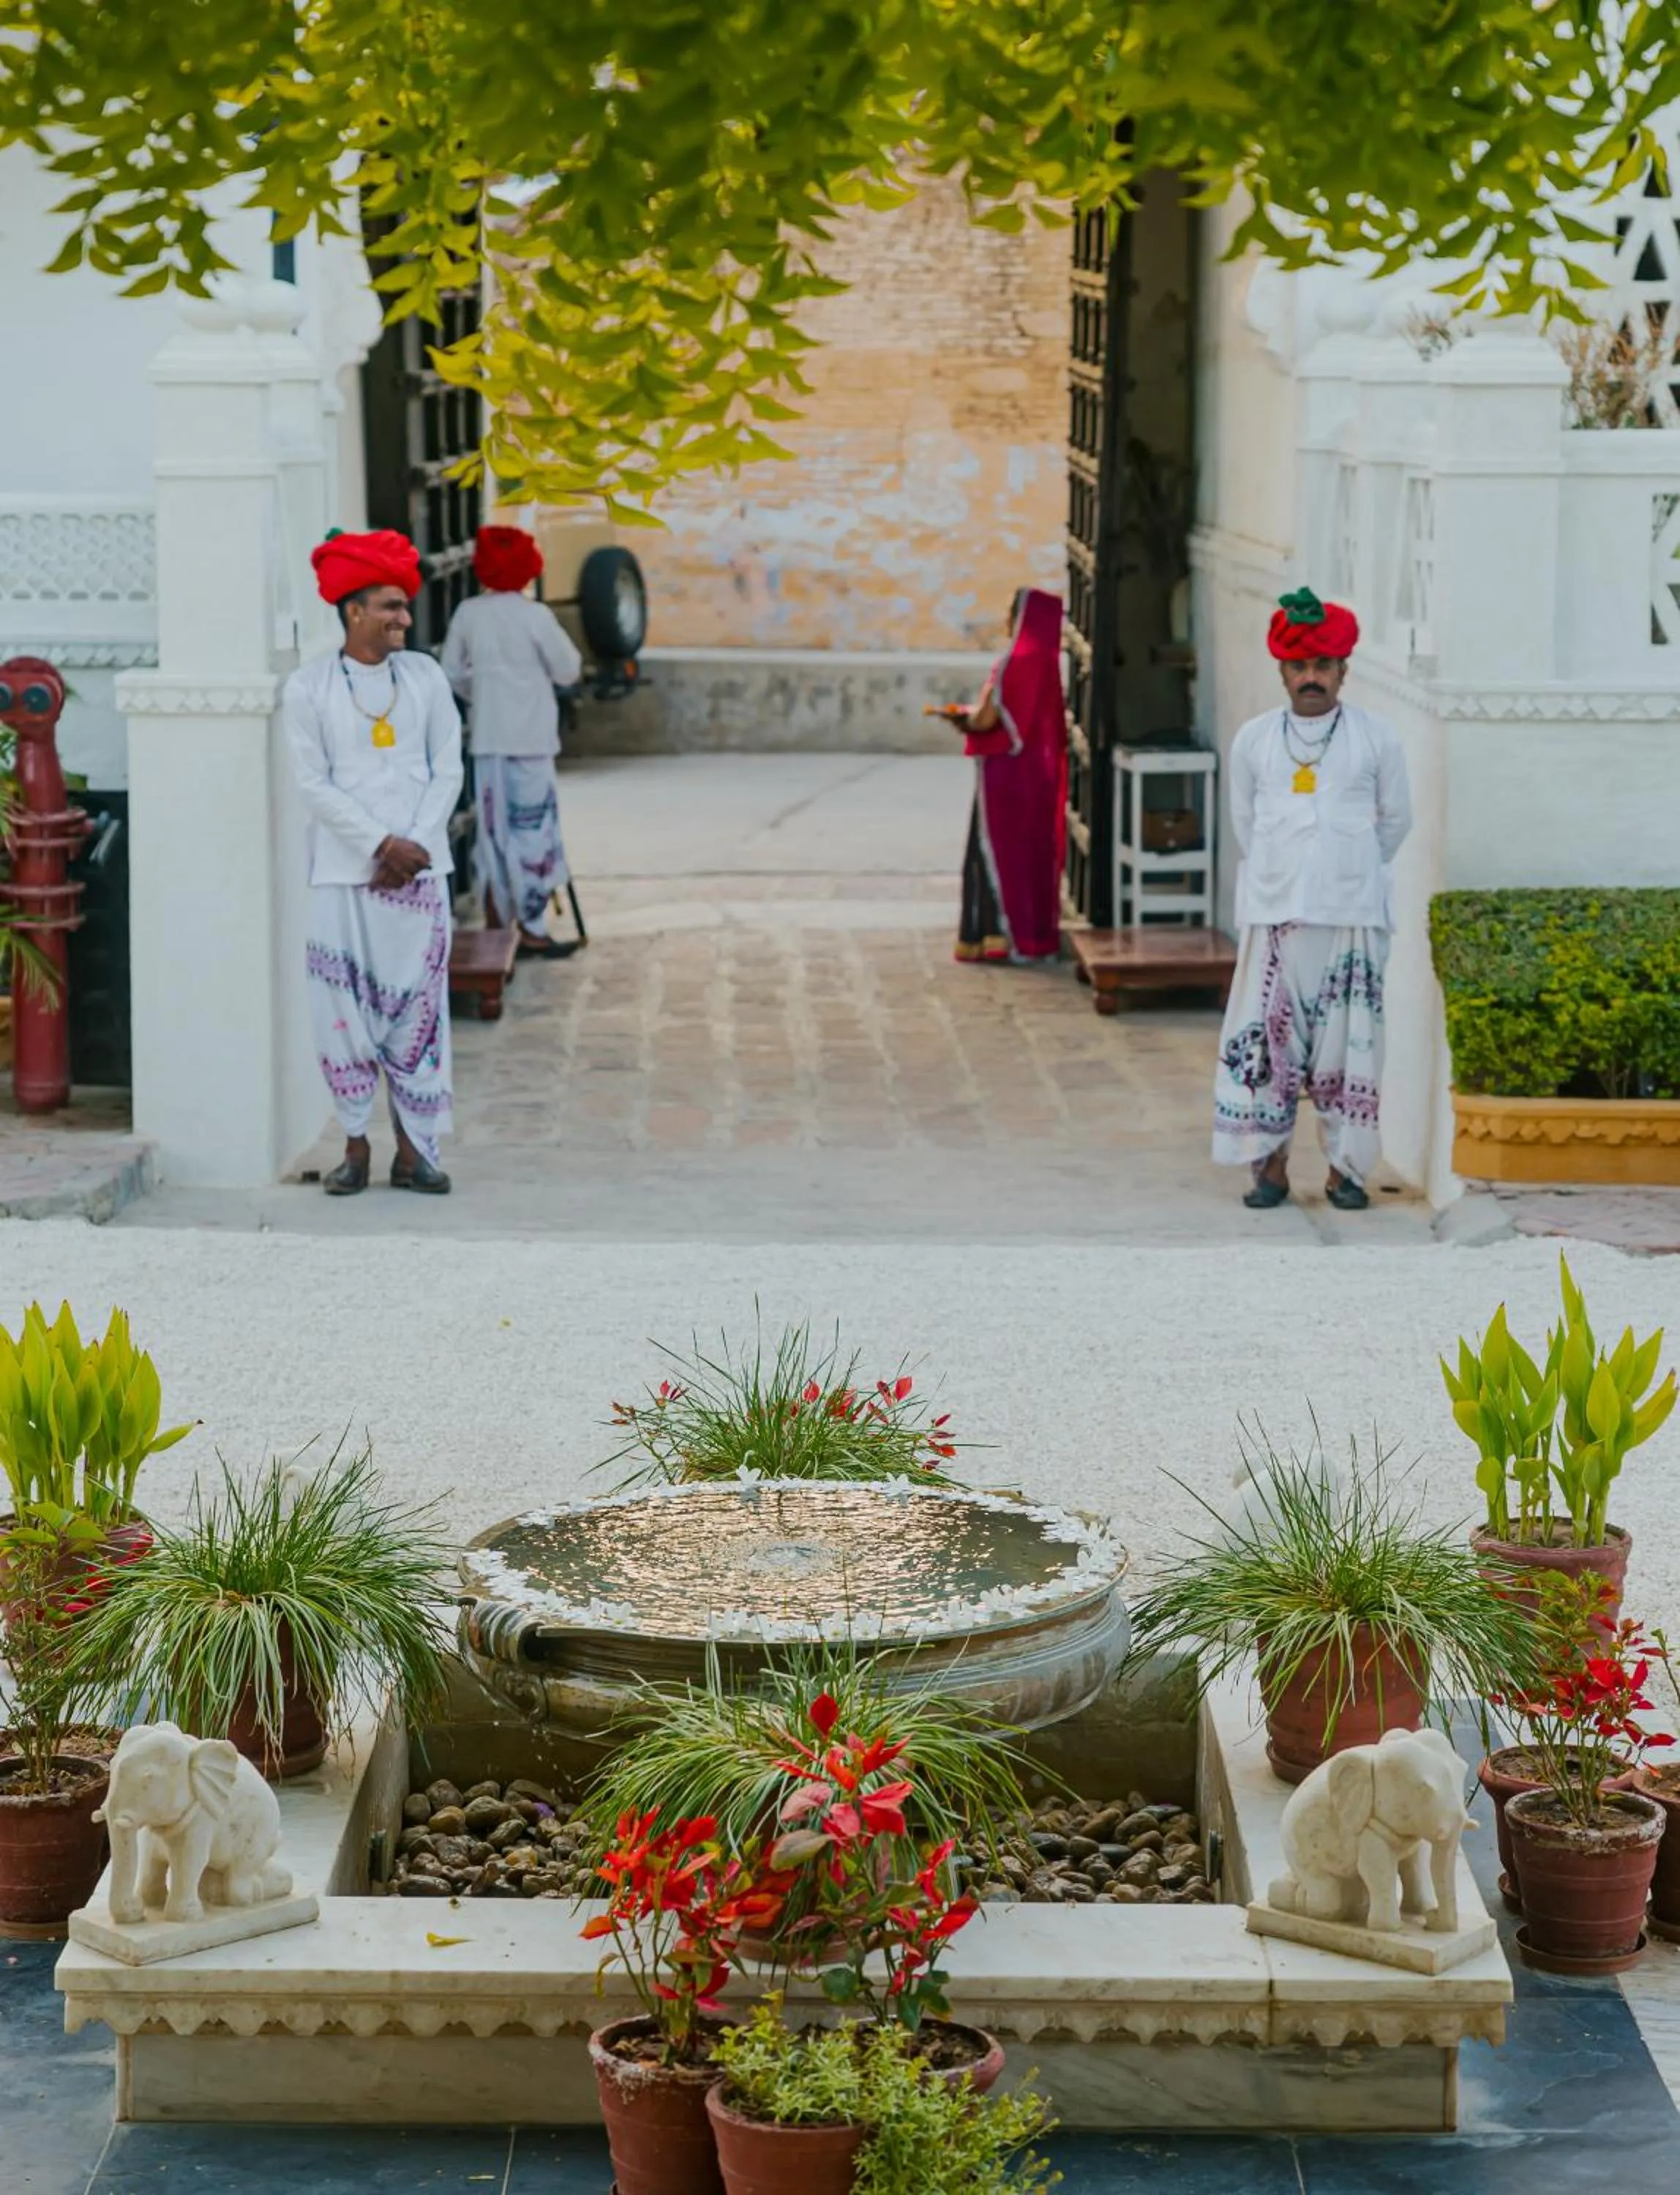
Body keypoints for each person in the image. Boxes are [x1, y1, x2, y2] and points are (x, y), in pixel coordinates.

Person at [1212, 588, 1412, 1212]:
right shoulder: (1254, 741)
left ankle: (1345, 1173)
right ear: (1283, 672)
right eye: (1300, 667)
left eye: (1323, 667)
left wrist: (1341, 868)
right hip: (1275, 920)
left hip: (1350, 920)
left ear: (1343, 672)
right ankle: (1267, 1169)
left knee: (1348, 1049)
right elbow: (1245, 822)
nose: (1311, 678)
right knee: (1267, 1048)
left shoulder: (1377, 740)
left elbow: (1395, 824)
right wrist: (1290, 872)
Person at [284, 528, 464, 1197]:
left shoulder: (424, 676)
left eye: (404, 605)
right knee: (342, 1011)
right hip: (342, 874)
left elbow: (446, 766)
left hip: (421, 875)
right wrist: (380, 846)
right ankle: (356, 1148)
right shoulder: (308, 688)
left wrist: (411, 846)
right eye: (390, 605)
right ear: (353, 610)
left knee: (421, 1011)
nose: (404, 619)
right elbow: (313, 784)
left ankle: (417, 1153)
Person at [440, 525, 582, 957]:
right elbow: (568, 669)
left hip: (488, 740)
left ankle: (498, 919)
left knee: (493, 833)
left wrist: (481, 694)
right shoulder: (536, 616)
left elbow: (450, 673)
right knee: (532, 832)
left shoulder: (468, 613)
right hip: (533, 741)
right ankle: (533, 925)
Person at [936, 588, 1066, 964]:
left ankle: (992, 935)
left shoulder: (1016, 660)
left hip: (1005, 774)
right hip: (1038, 775)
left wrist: (961, 718)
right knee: (1033, 855)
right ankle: (1033, 936)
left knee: (994, 849)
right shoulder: (1047, 661)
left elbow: (989, 717)